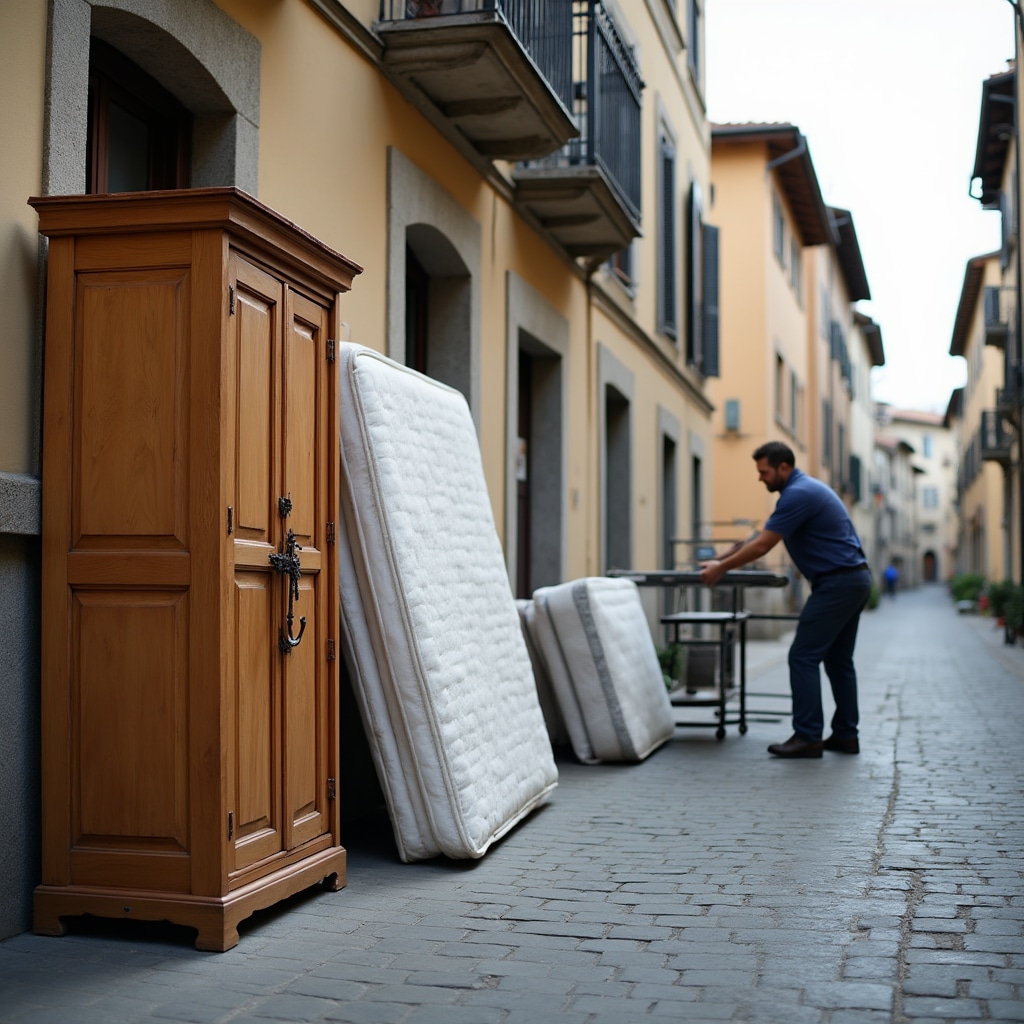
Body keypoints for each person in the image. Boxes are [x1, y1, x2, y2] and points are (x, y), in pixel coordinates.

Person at [700, 441, 871, 759]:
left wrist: (721, 569)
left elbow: (763, 545)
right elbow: (757, 538)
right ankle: (846, 735)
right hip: (853, 579)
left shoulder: (798, 494)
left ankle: (808, 736)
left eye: (763, 472)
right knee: (837, 661)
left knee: (802, 656)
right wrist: (720, 558)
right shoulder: (802, 491)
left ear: (783, 468)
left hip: (838, 583)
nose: (760, 478)